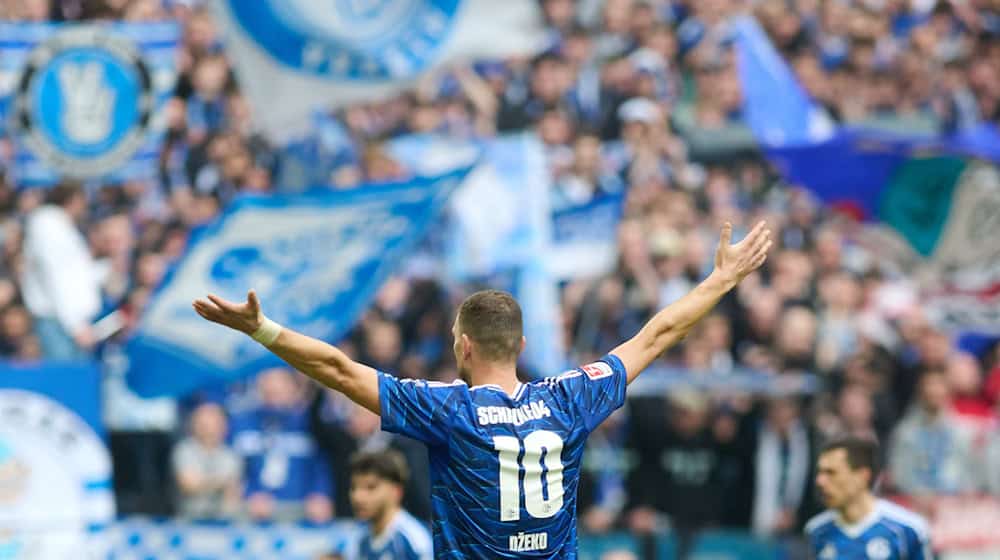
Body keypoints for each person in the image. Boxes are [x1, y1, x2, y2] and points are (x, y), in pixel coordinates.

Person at [193, 221, 772, 558]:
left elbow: (342, 371)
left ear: (463, 346)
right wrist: (721, 279)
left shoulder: (449, 409)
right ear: (521, 346)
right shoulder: (570, 398)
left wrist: (261, 329)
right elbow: (658, 333)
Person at [805, 436, 932, 560]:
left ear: (862, 476)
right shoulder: (816, 531)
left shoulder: (907, 530)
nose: (820, 481)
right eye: (820, 473)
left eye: (831, 473)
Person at [346, 449, 433, 560]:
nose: (358, 497)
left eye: (370, 487)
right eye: (354, 487)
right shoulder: (357, 539)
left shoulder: (415, 540)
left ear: (396, 491)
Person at [171, 402, 242, 519]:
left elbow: (232, 495)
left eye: (214, 424)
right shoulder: (184, 450)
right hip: (189, 520)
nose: (209, 429)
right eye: (203, 425)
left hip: (222, 522)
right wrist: (221, 483)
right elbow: (189, 485)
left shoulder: (231, 456)